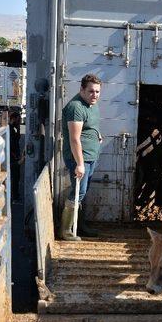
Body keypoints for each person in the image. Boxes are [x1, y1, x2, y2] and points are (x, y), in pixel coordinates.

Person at [59, 74, 103, 240]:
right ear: (82, 90)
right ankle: (66, 231)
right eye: (91, 91)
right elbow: (74, 138)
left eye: (97, 91)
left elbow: (90, 125)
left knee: (83, 192)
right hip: (80, 158)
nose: (95, 95)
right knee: (79, 192)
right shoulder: (76, 107)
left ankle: (80, 226)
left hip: (91, 156)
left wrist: (97, 134)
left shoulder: (92, 105)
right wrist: (79, 164)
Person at [9, 111, 23, 202]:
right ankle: (14, 196)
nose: (19, 122)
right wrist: (14, 155)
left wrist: (18, 129)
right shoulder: (9, 129)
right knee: (14, 177)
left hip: (15, 154)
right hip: (12, 155)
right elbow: (11, 144)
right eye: (18, 119)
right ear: (13, 119)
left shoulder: (14, 128)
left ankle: (15, 195)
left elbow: (17, 138)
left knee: (16, 177)